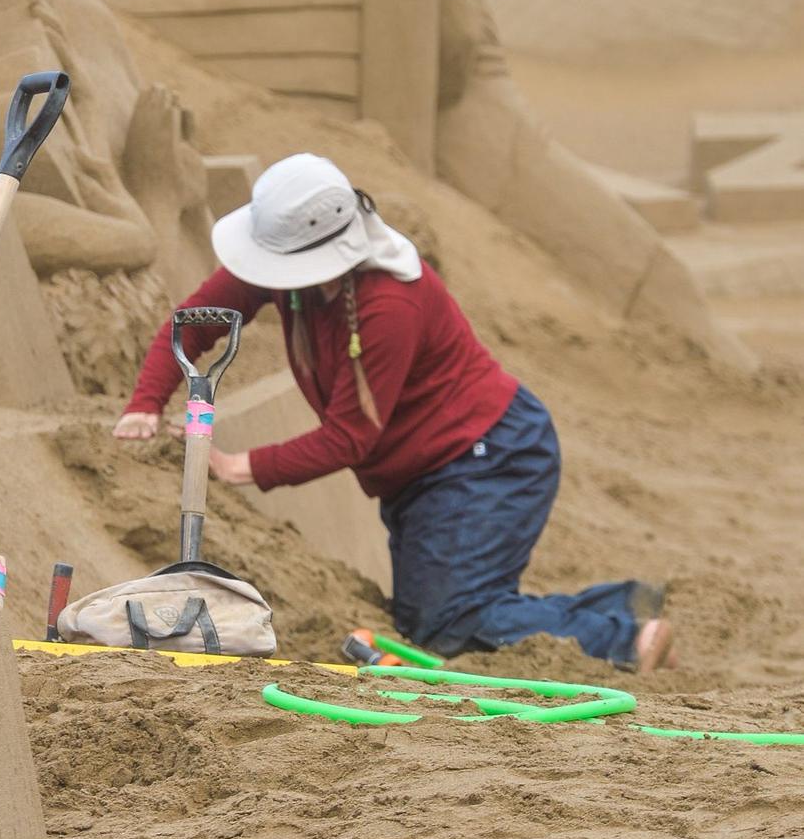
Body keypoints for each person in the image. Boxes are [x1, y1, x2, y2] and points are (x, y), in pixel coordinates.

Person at [113, 152, 674, 674]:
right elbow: (193, 322)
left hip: (487, 456)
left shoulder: (388, 302)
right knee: (423, 619)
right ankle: (623, 605)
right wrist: (144, 404)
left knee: (449, 625)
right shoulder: (285, 259)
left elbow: (350, 437)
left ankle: (621, 639)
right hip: (418, 471)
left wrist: (242, 467)